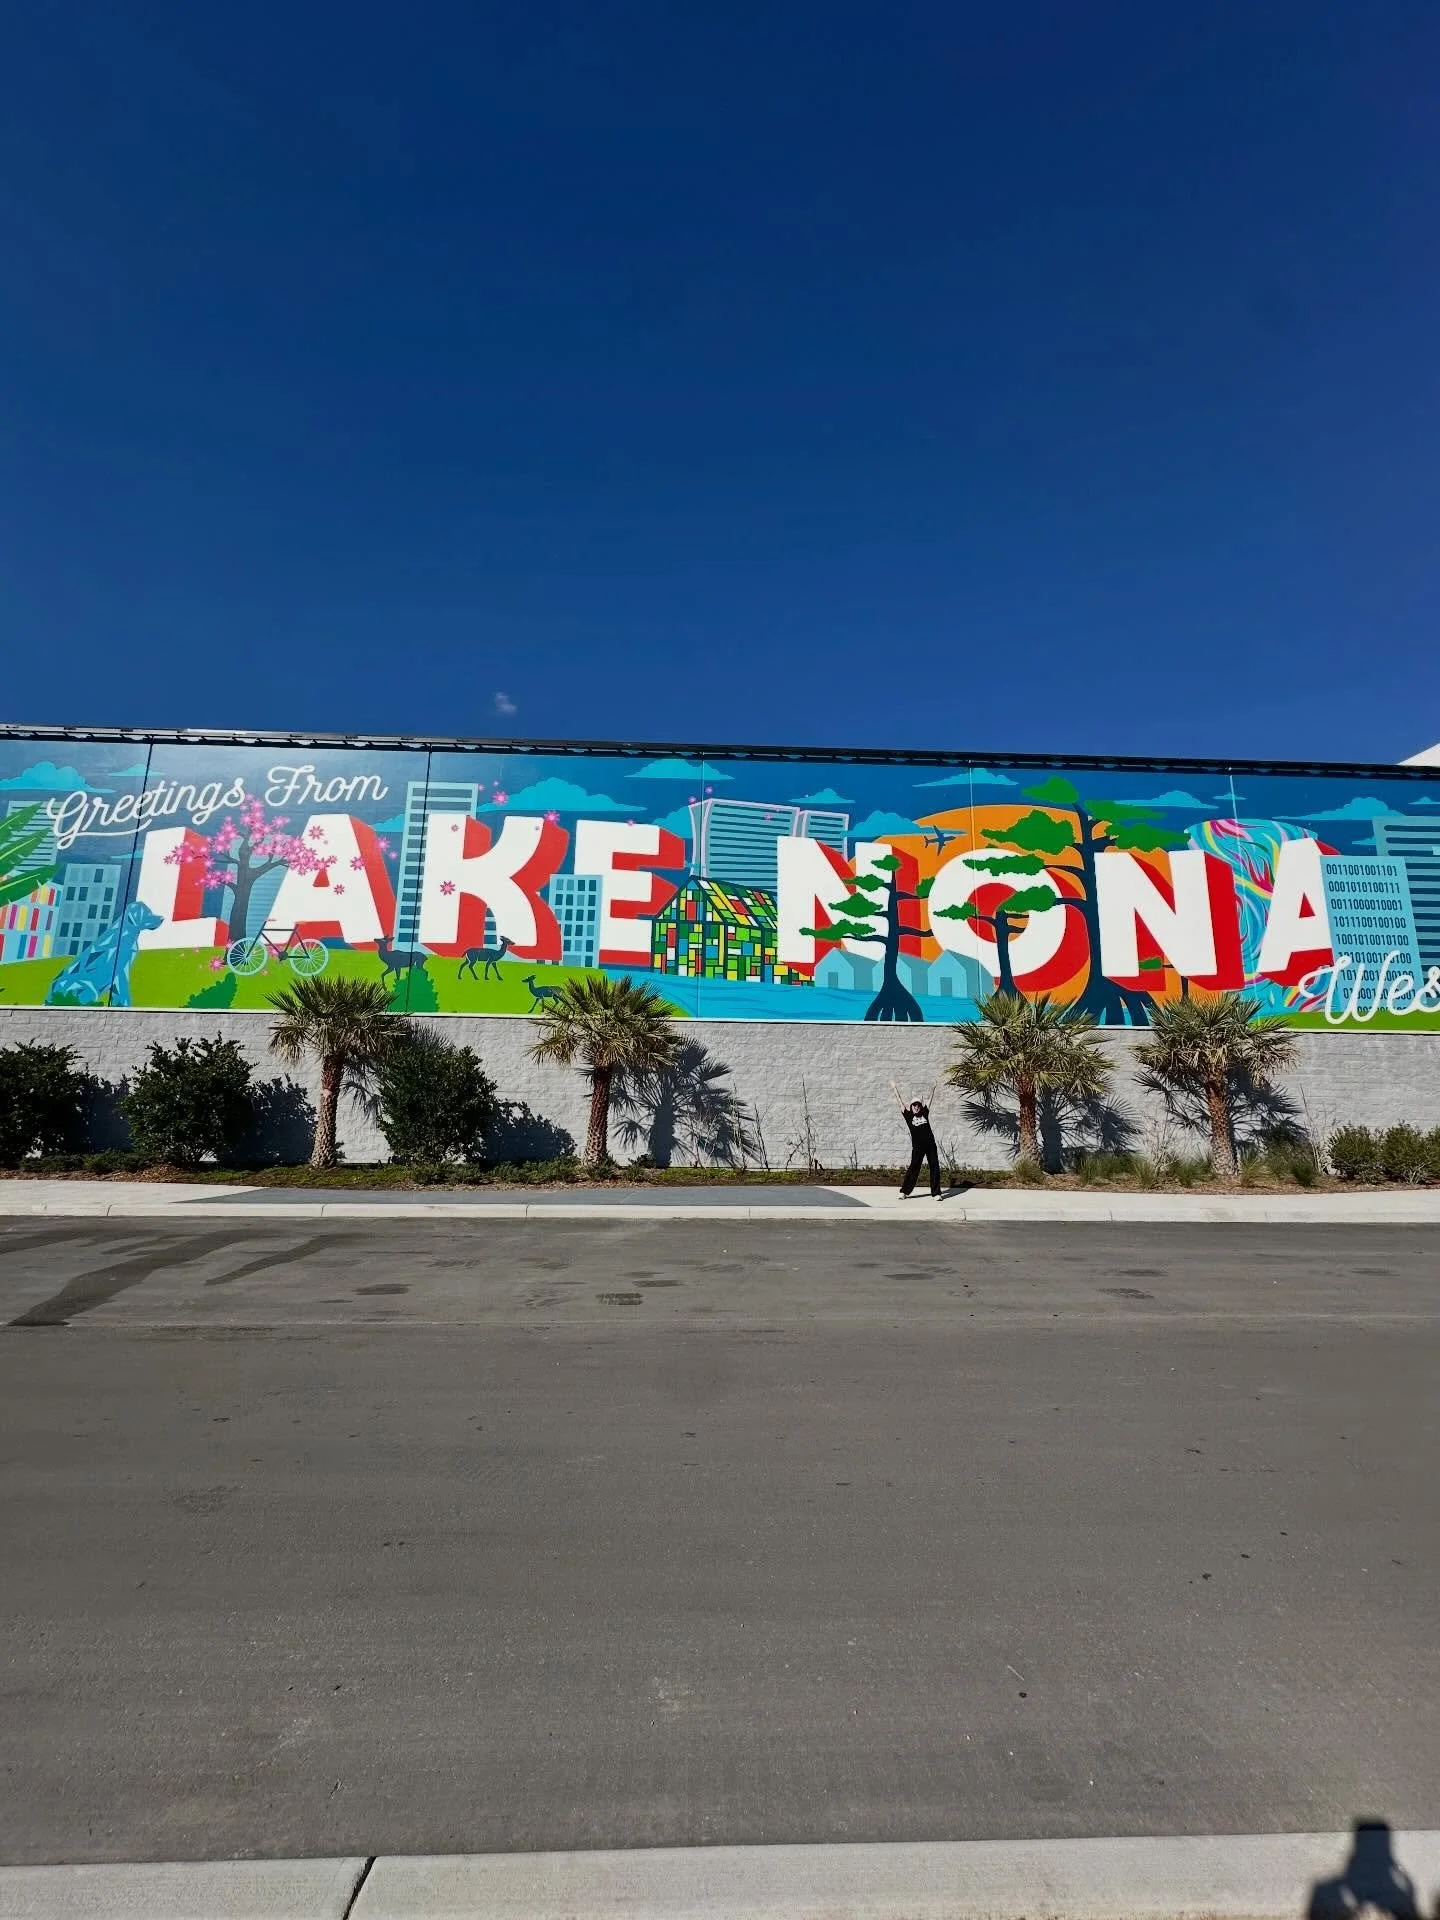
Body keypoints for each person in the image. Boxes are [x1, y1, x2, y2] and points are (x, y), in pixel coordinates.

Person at [890, 1081, 942, 1198]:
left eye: (918, 1105)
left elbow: (930, 1100)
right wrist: (894, 1088)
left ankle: (936, 1193)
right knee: (914, 1168)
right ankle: (904, 1192)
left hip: (930, 1146)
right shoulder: (908, 1115)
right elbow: (900, 1102)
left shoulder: (924, 1113)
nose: (917, 1107)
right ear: (911, 1106)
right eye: (914, 1105)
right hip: (918, 1147)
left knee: (934, 1167)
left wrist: (933, 1088)